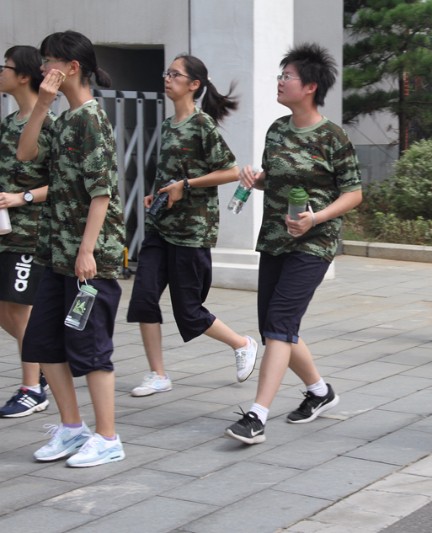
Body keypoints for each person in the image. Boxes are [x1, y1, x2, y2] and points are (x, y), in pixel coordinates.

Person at [225, 43, 362, 445]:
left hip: (314, 243)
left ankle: (256, 415)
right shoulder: (277, 129)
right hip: (274, 239)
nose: (280, 82)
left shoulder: (333, 137)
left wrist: (316, 218)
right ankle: (321, 392)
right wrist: (257, 179)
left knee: (280, 324)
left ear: (310, 87)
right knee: (275, 328)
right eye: (280, 76)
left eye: (287, 76)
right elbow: (278, 176)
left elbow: (354, 194)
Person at [17, 30, 126, 467]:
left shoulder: (92, 120)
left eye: (48, 61)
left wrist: (88, 251)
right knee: (43, 344)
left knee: (91, 348)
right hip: (54, 252)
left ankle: (108, 436)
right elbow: (26, 155)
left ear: (71, 67)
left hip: (87, 259)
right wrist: (42, 104)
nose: (43, 69)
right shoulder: (64, 119)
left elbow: (101, 191)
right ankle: (71, 428)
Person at [126, 54, 257, 397]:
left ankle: (242, 343)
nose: (167, 78)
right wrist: (155, 196)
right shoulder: (169, 125)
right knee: (143, 299)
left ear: (194, 85)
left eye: (175, 74)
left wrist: (186, 186)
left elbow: (230, 170)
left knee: (189, 311)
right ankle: (158, 374)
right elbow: (168, 176)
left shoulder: (202, 125)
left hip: (192, 231)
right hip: (161, 227)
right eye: (166, 72)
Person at [0, 45, 52, 417]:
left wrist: (23, 197)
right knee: (5, 308)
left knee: (21, 308)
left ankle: (33, 388)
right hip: (5, 231)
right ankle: (48, 365)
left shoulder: (45, 123)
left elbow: (65, 181)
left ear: (23, 76)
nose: (0, 72)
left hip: (31, 231)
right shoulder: (8, 123)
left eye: (5, 66)